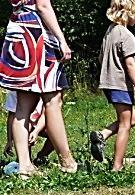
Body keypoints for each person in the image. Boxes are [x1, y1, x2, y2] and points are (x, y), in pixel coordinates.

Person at [0, 0, 78, 176]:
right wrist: (62, 40)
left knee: (23, 105)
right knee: (53, 99)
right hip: (36, 36)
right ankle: (67, 160)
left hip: (18, 32)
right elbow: (43, 6)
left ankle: (24, 165)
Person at [89, 0, 135, 171]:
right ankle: (117, 167)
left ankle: (103, 134)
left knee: (132, 119)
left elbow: (101, 58)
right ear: (130, 12)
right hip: (120, 84)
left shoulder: (110, 32)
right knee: (125, 125)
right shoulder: (126, 35)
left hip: (108, 83)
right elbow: (130, 65)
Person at [4, 90, 55, 167]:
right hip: (25, 124)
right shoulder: (14, 91)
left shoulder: (45, 88)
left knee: (55, 134)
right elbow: (11, 116)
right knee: (26, 127)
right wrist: (9, 140)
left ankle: (41, 157)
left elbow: (45, 114)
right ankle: (26, 160)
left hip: (41, 122)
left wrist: (36, 131)